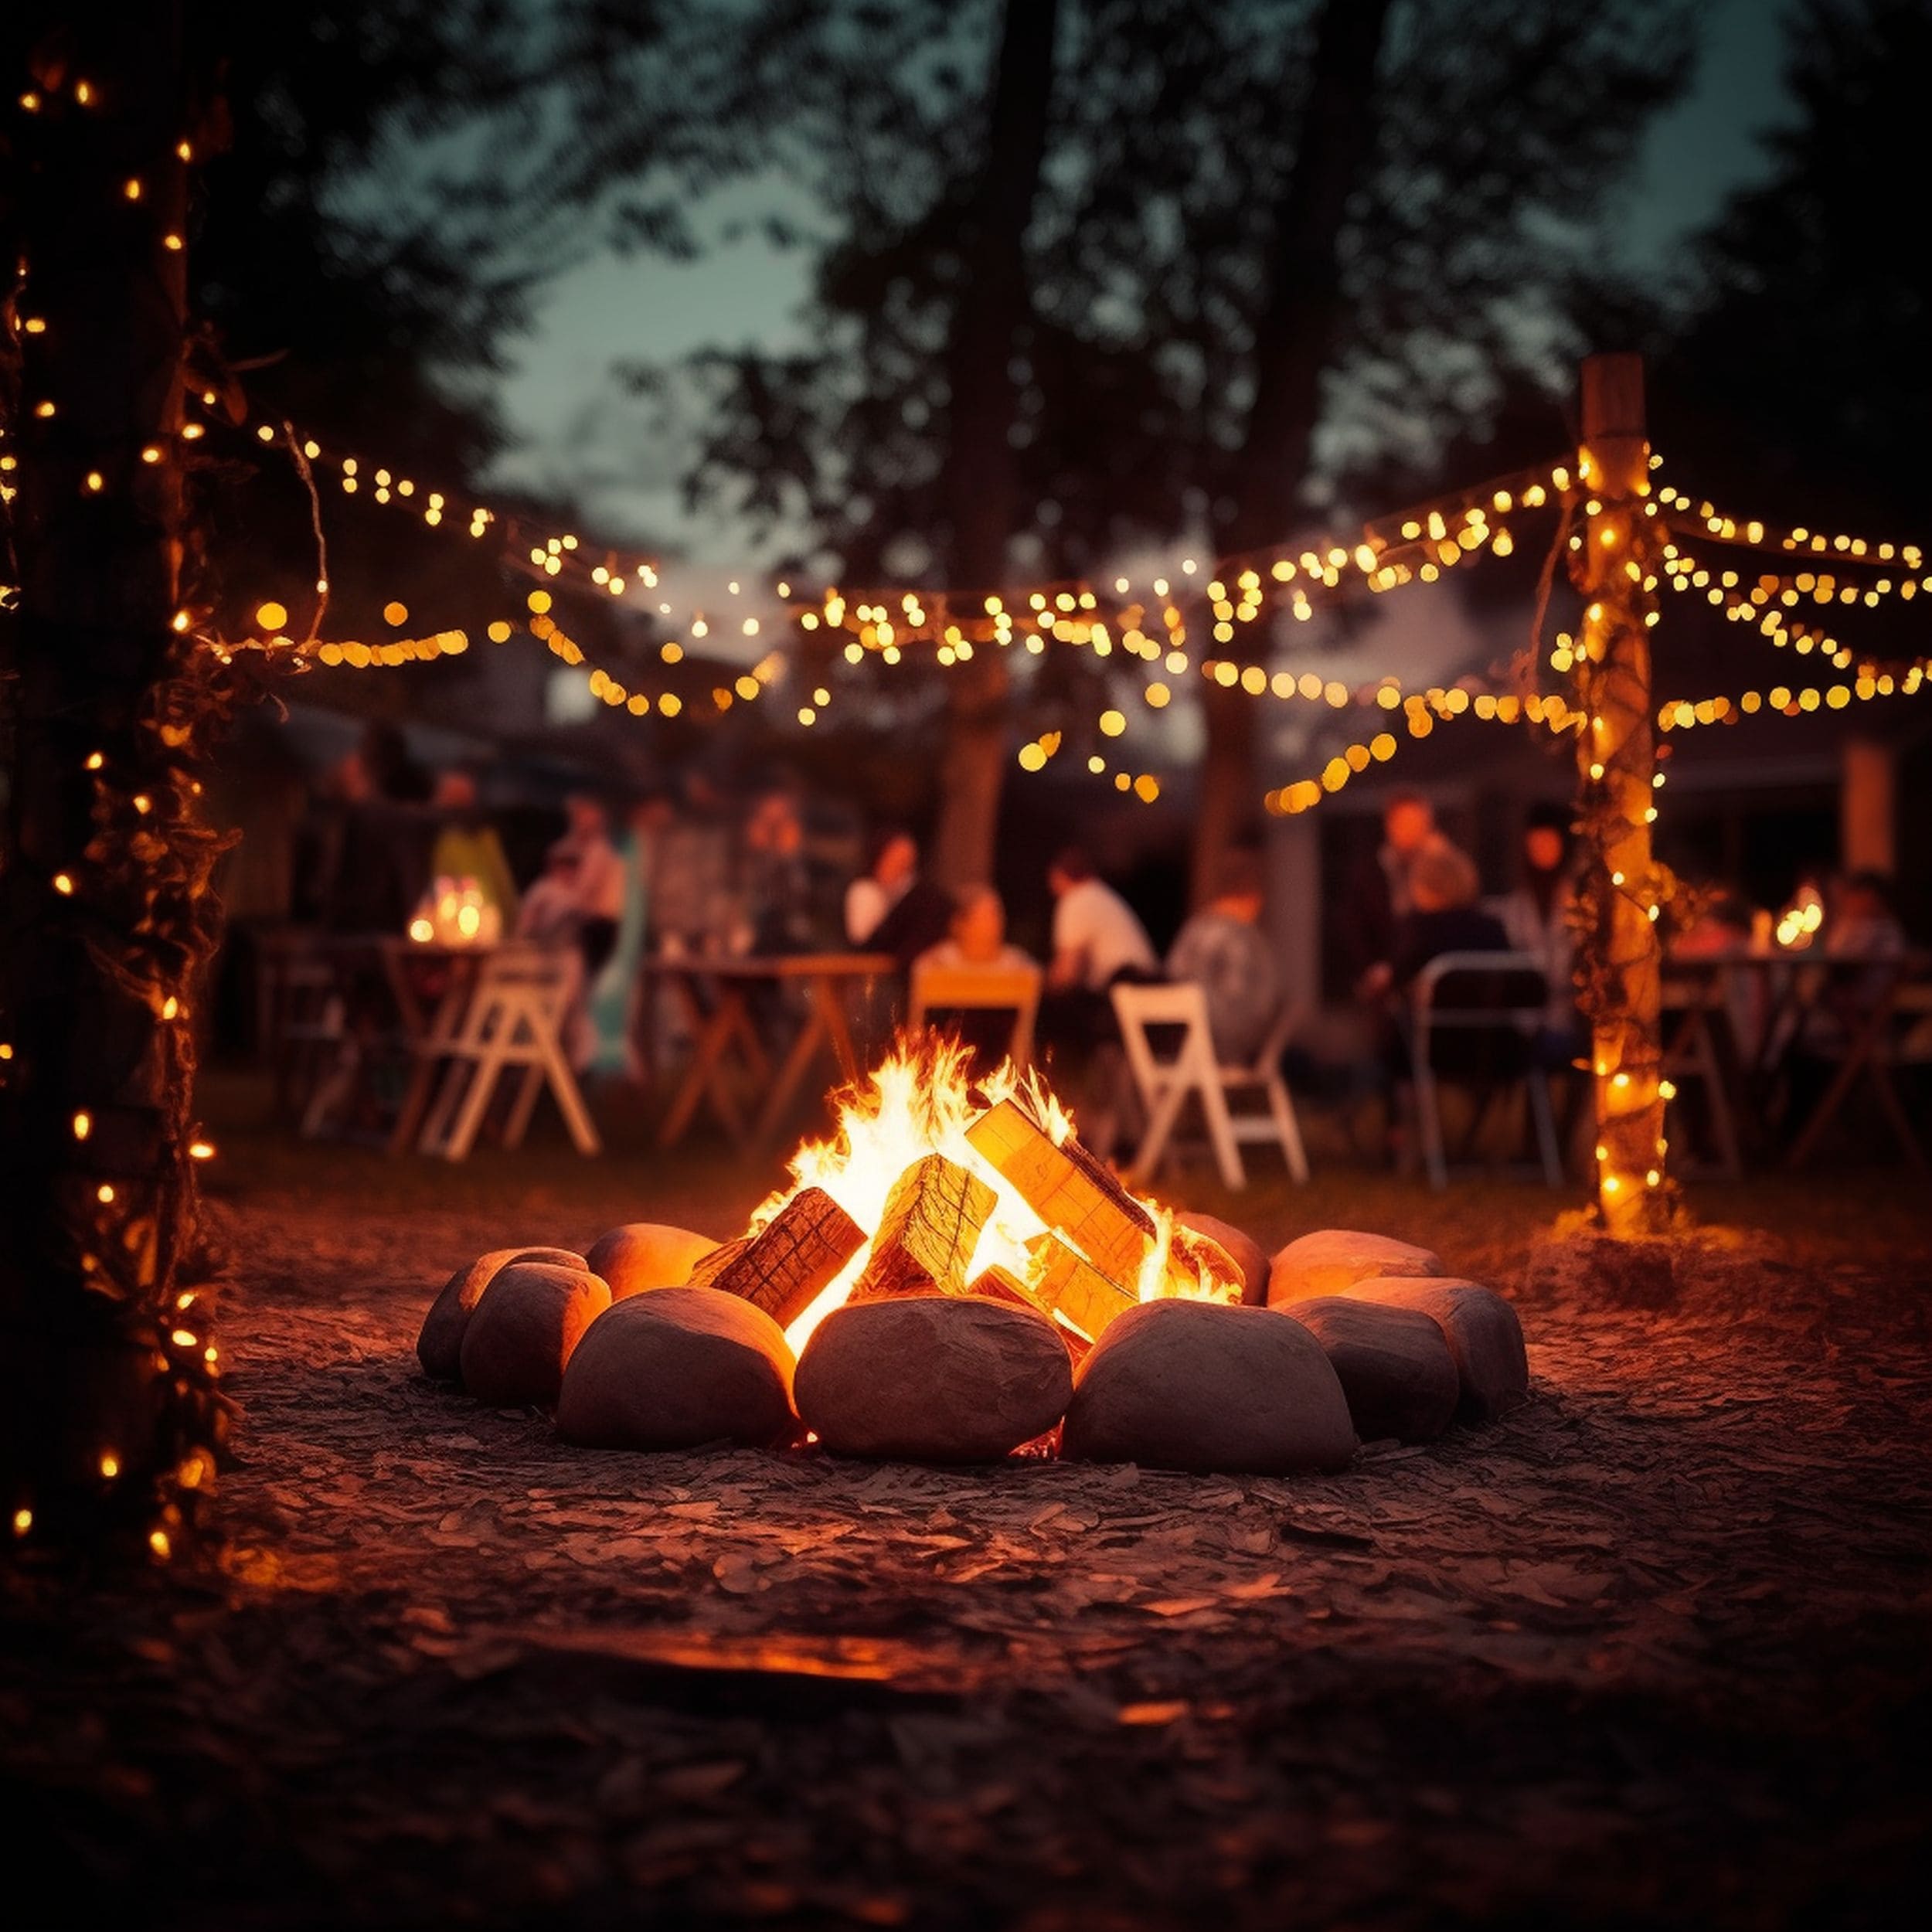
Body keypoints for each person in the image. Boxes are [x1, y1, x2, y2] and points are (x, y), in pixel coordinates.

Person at [1039, 845, 1159, 1063]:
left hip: (1123, 987)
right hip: (1148, 988)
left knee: (1050, 1012)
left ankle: (1049, 1076)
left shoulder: (1076, 900)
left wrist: (1038, 988)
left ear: (1059, 876)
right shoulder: (1103, 896)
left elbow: (1066, 971)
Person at [1489, 800, 1582, 1066]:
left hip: (1569, 1013)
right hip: (1526, 1018)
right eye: (1535, 842)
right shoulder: (1518, 905)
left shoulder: (1578, 899)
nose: (1541, 850)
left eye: (1548, 841)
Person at [1335, 791, 1454, 995]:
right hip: (1384, 985)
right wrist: (1370, 969)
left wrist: (1441, 865)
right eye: (1405, 823)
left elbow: (1454, 915)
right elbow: (1353, 927)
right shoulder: (1368, 874)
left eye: (1418, 823)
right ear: (1390, 825)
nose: (1411, 832)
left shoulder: (1439, 870)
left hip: (1435, 981)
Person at [1166, 846, 1278, 1064]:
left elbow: (1171, 977)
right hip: (1220, 1051)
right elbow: (1257, 1010)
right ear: (1254, 897)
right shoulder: (1244, 940)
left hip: (1173, 1042)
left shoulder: (1192, 930)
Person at [428, 767, 519, 931]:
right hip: (465, 919)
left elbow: (501, 881)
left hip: (474, 919)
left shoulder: (481, 837)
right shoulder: (441, 836)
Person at [916, 886, 1036, 975]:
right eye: (987, 916)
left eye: (998, 915)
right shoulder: (937, 964)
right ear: (961, 925)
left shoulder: (1018, 965)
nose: (997, 923)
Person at [845, 827, 919, 944]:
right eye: (896, 863)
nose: (900, 873)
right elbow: (861, 939)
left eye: (906, 867)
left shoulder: (908, 895)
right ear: (880, 858)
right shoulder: (865, 892)